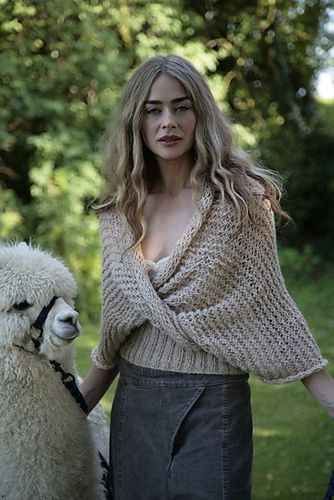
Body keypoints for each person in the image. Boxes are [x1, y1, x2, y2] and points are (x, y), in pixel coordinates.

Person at [81, 54, 334, 500]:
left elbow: (270, 303)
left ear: (201, 113)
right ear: (136, 122)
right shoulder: (118, 213)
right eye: (152, 110)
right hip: (135, 401)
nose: (168, 122)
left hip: (213, 402)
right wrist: (69, 410)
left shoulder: (240, 202)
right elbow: (114, 330)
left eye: (181, 107)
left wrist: (328, 396)